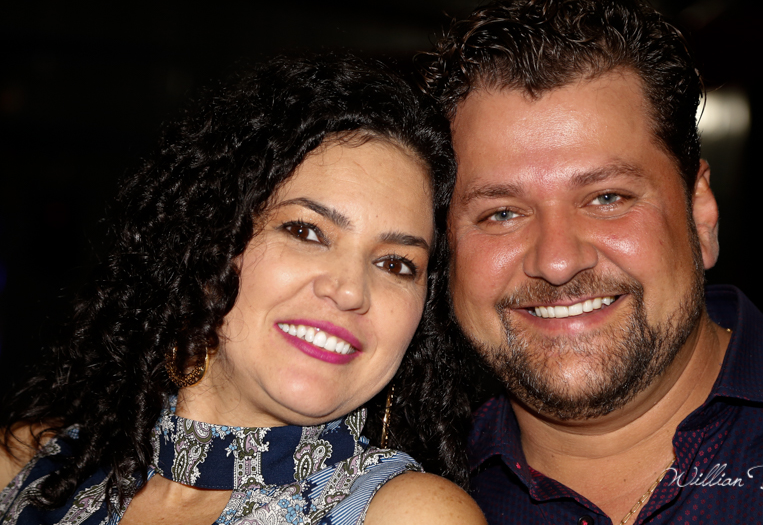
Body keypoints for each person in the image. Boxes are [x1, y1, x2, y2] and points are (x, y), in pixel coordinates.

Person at [418, 0, 763, 524]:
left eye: (607, 198)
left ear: (701, 213)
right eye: (502, 213)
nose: (556, 261)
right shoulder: (395, 497)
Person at [0, 52, 486, 525]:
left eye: (396, 264)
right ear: (211, 240)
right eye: (306, 232)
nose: (349, 291)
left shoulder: (413, 514)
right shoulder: (24, 468)